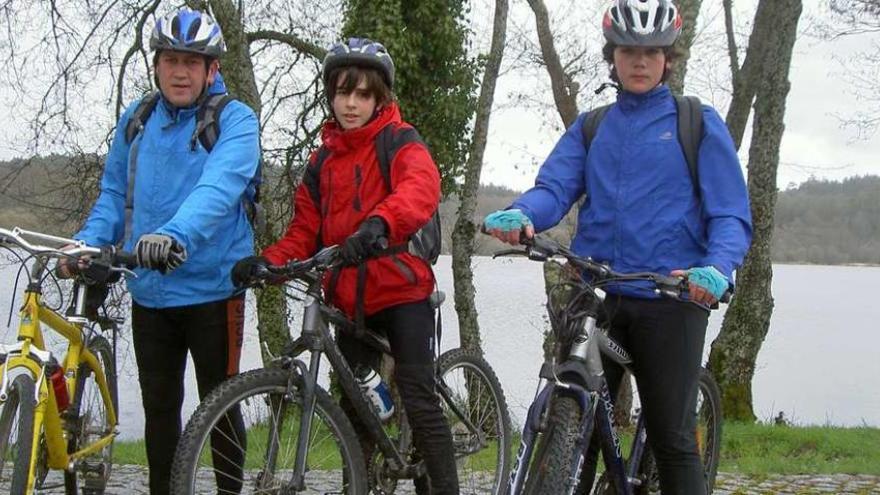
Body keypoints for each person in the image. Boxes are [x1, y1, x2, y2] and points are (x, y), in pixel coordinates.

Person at [483, 1, 752, 494]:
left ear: (668, 58)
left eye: (652, 51)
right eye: (630, 50)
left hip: (673, 296)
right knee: (570, 422)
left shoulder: (698, 123)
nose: (641, 61)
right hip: (598, 292)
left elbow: (730, 213)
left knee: (672, 438)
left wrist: (716, 268)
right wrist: (524, 214)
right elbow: (555, 188)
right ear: (614, 56)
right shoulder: (593, 126)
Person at [231, 38, 459, 494]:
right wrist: (268, 263)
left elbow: (420, 187)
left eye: (362, 94)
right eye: (342, 92)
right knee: (354, 409)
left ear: (379, 99)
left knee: (418, 396)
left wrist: (380, 223)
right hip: (348, 300)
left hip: (402, 291)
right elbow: (303, 233)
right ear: (330, 96)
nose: (350, 103)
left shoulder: (400, 141)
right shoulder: (321, 163)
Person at [67, 8, 260, 494]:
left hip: (214, 289)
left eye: (192, 62)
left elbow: (219, 189)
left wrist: (174, 235)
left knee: (220, 406)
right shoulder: (137, 119)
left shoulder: (235, 120)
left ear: (212, 69)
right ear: (155, 64)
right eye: (171, 59)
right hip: (150, 291)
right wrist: (88, 246)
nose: (180, 71)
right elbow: (115, 194)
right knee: (159, 412)